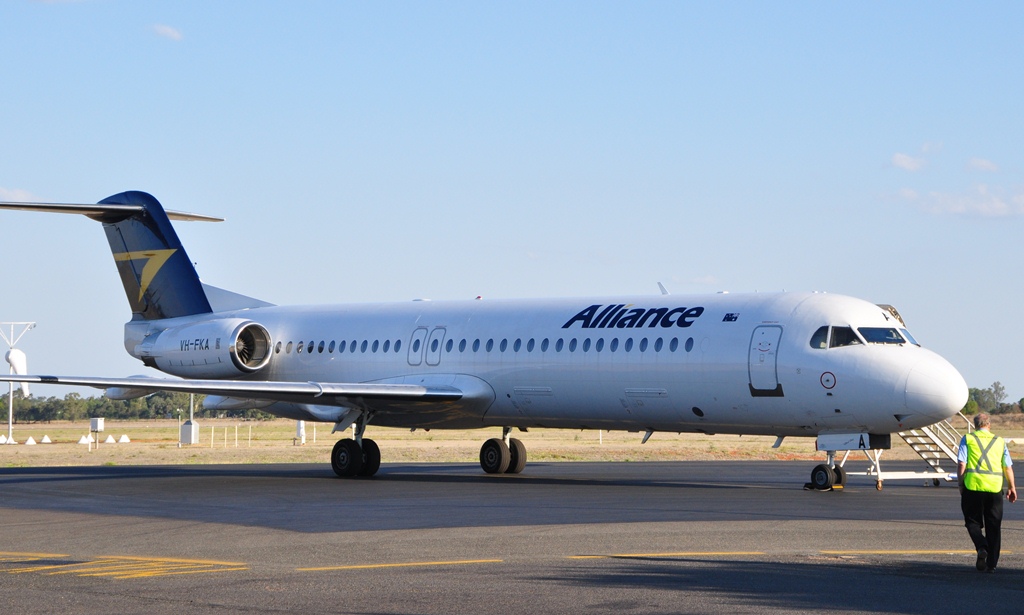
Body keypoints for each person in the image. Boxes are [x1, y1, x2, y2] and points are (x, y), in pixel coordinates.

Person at [957, 413, 1017, 572]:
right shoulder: (1000, 441)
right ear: (989, 425)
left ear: (975, 425)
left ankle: (982, 546)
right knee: (994, 526)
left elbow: (962, 464)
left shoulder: (968, 439)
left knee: (972, 522)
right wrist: (1012, 487)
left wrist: (961, 484)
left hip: (973, 487)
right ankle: (992, 564)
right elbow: (1007, 467)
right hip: (994, 488)